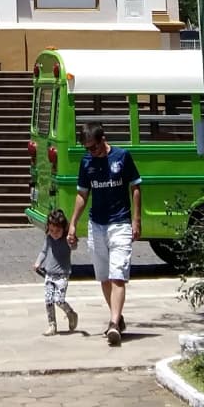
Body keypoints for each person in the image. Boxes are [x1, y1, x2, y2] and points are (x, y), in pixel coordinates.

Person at [67, 122, 142, 347]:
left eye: (95, 147)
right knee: (104, 276)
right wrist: (73, 224)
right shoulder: (87, 162)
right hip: (96, 224)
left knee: (118, 274)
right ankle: (117, 317)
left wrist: (136, 220)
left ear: (103, 139)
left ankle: (112, 324)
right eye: (88, 149)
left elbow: (136, 186)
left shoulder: (122, 156)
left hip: (120, 223)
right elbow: (82, 194)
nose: (92, 152)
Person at [33, 208, 78, 336]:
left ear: (64, 228)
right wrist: (38, 263)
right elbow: (44, 252)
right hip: (49, 274)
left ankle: (70, 313)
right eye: (52, 230)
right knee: (48, 300)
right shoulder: (49, 239)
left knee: (59, 300)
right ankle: (52, 325)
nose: (54, 234)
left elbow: (74, 247)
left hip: (62, 275)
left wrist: (72, 240)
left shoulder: (66, 239)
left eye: (57, 231)